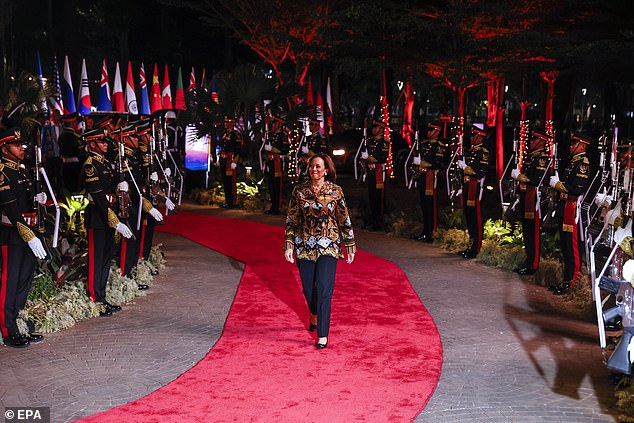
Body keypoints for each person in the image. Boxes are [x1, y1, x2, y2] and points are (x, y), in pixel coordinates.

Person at [284, 153, 356, 349]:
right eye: (311, 166)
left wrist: (349, 244)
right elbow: (292, 219)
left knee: (324, 290)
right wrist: (289, 244)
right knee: (309, 289)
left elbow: (344, 219)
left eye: (317, 166)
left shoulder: (335, 191)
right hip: (304, 244)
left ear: (326, 170)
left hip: (329, 245)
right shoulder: (299, 191)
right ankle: (314, 314)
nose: (313, 169)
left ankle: (322, 335)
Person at [0, 128, 48, 348]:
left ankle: (18, 322)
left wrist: (41, 198)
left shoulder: (22, 170)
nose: (22, 148)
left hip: (29, 232)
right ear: (3, 148)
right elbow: (11, 209)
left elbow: (28, 202)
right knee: (9, 283)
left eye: (22, 144)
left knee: (24, 280)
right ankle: (8, 330)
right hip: (12, 234)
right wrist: (29, 235)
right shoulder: (2, 172)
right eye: (16, 145)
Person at [81, 127, 134, 317]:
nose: (105, 145)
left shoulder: (105, 163)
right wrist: (114, 220)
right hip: (97, 217)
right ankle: (96, 299)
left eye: (106, 142)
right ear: (92, 143)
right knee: (97, 260)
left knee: (105, 259)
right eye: (102, 142)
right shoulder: (91, 165)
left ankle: (102, 297)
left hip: (108, 216)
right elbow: (98, 197)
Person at [548, 133, 591, 295]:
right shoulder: (573, 162)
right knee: (565, 246)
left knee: (571, 247)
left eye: (574, 144)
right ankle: (566, 280)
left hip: (572, 209)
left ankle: (572, 281)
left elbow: (577, 189)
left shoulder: (582, 164)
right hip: (564, 207)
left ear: (582, 145)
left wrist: (558, 185)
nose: (571, 146)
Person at [511, 130, 551, 275]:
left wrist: (520, 177)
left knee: (533, 232)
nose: (531, 142)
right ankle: (528, 261)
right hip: (526, 197)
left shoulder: (541, 158)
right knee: (527, 231)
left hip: (535, 200)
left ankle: (533, 265)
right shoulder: (532, 157)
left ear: (541, 141)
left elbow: (536, 179)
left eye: (534, 140)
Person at [457, 125, 491, 258]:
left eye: (473, 135)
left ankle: (476, 248)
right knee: (469, 217)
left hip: (476, 189)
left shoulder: (483, 152)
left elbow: (479, 173)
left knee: (476, 218)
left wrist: (465, 167)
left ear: (479, 136)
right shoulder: (470, 151)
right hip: (467, 188)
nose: (471, 138)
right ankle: (471, 244)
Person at [414, 122, 447, 243]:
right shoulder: (423, 144)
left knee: (431, 206)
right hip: (423, 178)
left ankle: (431, 232)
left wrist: (425, 164)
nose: (428, 132)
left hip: (432, 179)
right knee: (424, 206)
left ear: (437, 132)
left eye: (431, 130)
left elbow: (438, 163)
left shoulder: (438, 146)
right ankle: (425, 231)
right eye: (428, 130)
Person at [362, 120, 390, 231]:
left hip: (379, 173)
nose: (373, 129)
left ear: (381, 129)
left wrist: (368, 157)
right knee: (372, 197)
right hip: (371, 172)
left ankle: (379, 222)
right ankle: (372, 220)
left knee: (379, 198)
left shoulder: (384, 142)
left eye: (376, 128)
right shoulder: (369, 141)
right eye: (373, 128)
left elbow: (381, 158)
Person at [264, 116, 290, 215]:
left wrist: (272, 149)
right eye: (273, 123)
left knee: (277, 184)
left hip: (278, 162)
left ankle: (277, 207)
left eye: (275, 123)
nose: (273, 125)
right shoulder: (270, 134)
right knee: (271, 184)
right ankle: (272, 206)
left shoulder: (283, 136)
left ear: (279, 124)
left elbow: (285, 150)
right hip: (270, 162)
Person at [219, 116, 242, 208]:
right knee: (225, 181)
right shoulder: (224, 133)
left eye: (227, 122)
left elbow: (238, 150)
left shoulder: (236, 135)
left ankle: (232, 202)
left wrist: (235, 161)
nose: (225, 124)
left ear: (232, 124)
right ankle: (227, 200)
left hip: (231, 160)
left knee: (231, 182)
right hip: (224, 159)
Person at [58, 112, 82, 193]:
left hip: (64, 165)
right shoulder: (76, 137)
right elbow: (81, 152)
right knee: (76, 189)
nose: (76, 124)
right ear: (72, 123)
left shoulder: (61, 136)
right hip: (76, 166)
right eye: (75, 122)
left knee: (68, 188)